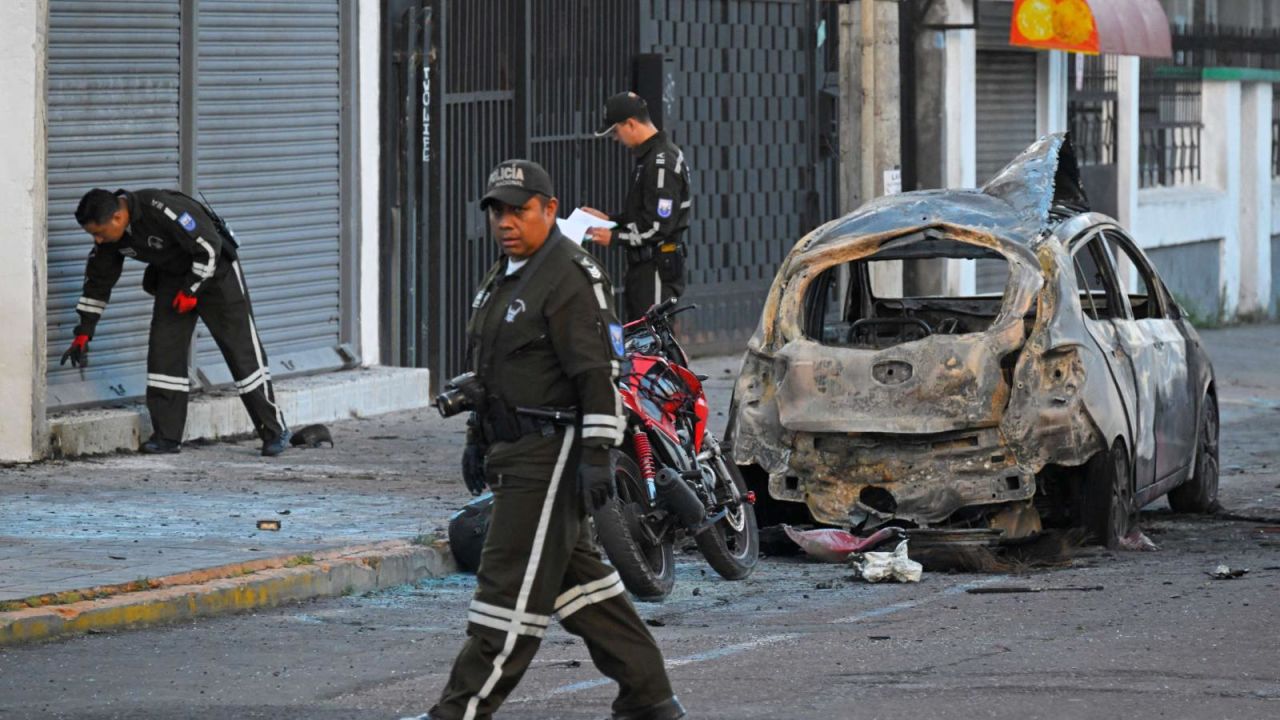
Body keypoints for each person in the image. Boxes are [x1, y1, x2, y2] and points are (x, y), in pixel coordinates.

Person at [410, 160, 685, 720]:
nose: (506, 221)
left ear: (550, 209)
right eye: (498, 211)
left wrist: (598, 455)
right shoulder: (506, 274)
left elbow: (597, 373)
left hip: (551, 451)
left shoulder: (569, 275)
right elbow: (489, 369)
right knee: (578, 587)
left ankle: (459, 711)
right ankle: (650, 697)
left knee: (505, 592)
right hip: (512, 450)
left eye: (520, 209)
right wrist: (475, 435)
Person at [65, 188, 290, 457]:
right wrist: (84, 332)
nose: (97, 240)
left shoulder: (162, 208)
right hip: (174, 278)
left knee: (242, 353)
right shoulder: (110, 240)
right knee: (164, 353)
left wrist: (192, 290)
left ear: (117, 217)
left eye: (98, 232)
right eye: (92, 235)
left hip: (216, 274)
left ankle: (274, 430)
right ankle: (167, 437)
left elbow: (208, 247)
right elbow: (98, 282)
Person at [581, 91, 692, 321]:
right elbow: (643, 216)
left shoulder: (661, 163)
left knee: (652, 343)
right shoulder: (652, 158)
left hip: (656, 269)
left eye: (615, 131)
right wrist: (609, 220)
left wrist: (613, 237)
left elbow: (657, 228)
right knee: (640, 339)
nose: (615, 138)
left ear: (630, 124)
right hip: (644, 269)